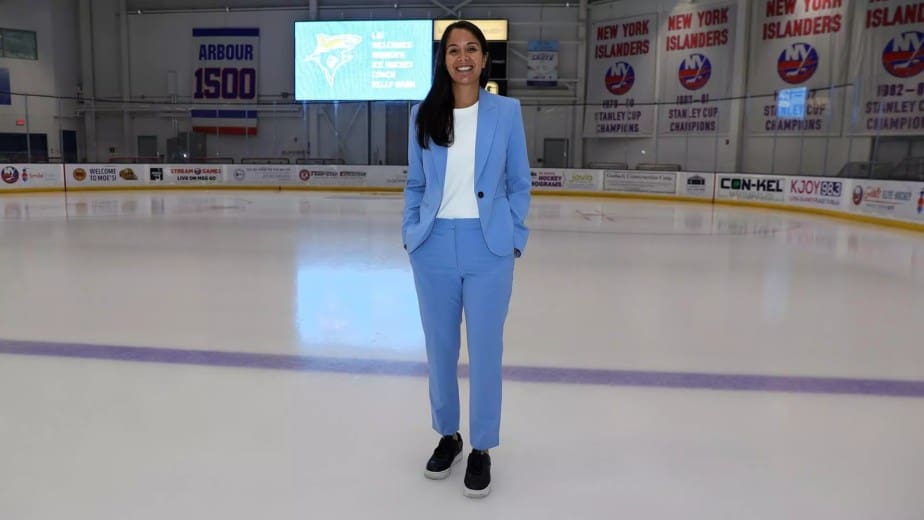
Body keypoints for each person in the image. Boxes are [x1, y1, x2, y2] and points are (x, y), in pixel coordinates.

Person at [402, 20, 531, 498]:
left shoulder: (507, 112)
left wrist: (514, 237)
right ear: (443, 59)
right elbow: (416, 185)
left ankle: (482, 447)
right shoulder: (423, 114)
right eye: (453, 49)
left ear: (483, 58)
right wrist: (410, 235)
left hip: (488, 248)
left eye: (471, 48)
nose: (463, 57)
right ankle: (448, 436)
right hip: (432, 247)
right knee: (439, 351)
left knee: (485, 351)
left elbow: (519, 182)